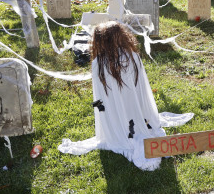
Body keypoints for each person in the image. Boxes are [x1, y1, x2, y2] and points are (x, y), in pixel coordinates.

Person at [58, 22, 192, 170]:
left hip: (117, 113)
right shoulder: (130, 56)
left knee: (126, 113)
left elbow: (104, 98)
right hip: (135, 109)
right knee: (131, 113)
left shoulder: (101, 62)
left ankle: (124, 124)